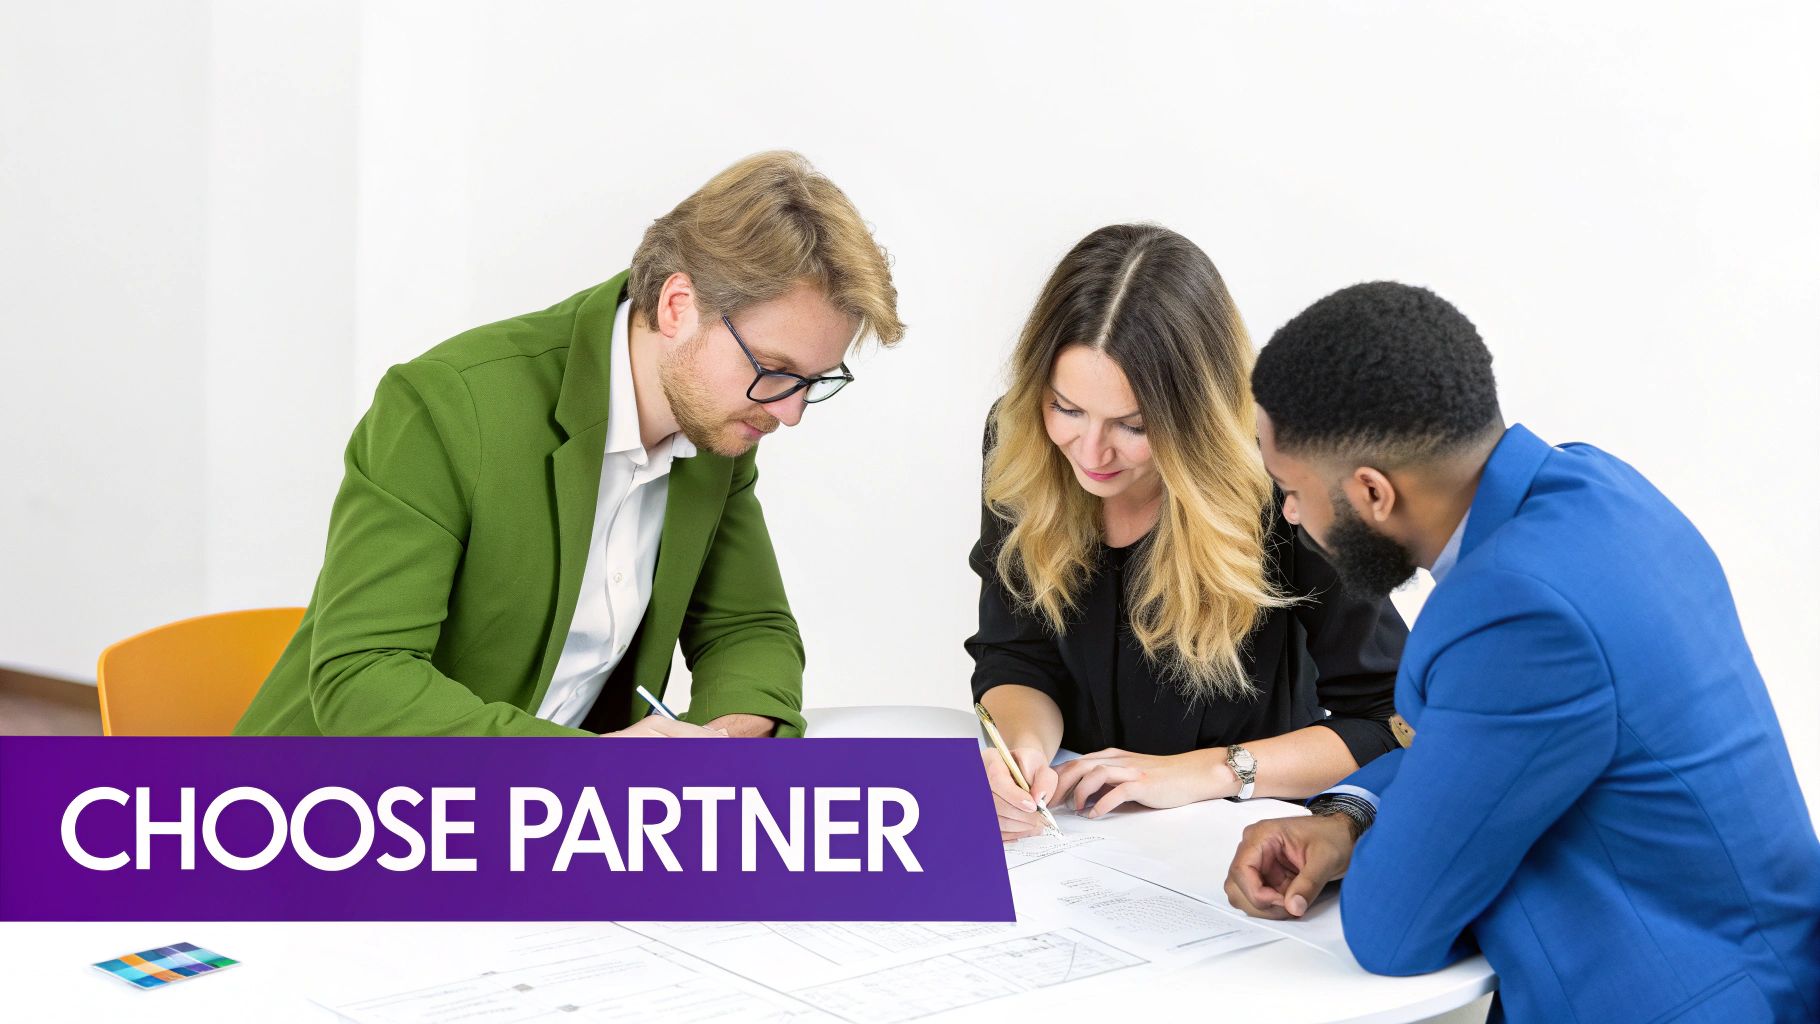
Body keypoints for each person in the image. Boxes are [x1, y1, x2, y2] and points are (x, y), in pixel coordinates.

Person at [1224, 282, 1820, 1022]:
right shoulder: (1598, 489)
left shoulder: (1514, 606)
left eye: (1289, 489)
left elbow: (1392, 928)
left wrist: (1376, 848)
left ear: (1373, 493)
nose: (1287, 513)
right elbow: (1490, 742)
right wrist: (1347, 815)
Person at [235, 151, 902, 738]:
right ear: (678, 306)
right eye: (775, 370)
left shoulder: (720, 420)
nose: (789, 412)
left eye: (813, 382)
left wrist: (711, 749)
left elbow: (748, 628)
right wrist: (591, 769)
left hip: (542, 826)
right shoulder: (447, 405)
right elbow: (362, 680)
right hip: (337, 821)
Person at [966, 225, 1407, 841]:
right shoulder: (1020, 439)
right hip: (1077, 833)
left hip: (1235, 838)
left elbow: (1392, 717)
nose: (1090, 451)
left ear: (1197, 416)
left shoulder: (1293, 474)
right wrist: (1023, 754)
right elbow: (1017, 653)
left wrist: (1204, 772)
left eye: (1133, 424)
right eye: (1067, 408)